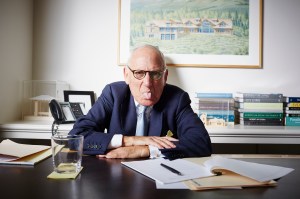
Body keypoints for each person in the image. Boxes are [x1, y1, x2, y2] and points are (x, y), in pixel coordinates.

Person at [69, 44, 212, 159]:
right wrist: (131, 141)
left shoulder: (177, 99)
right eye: (139, 73)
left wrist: (145, 150)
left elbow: (201, 143)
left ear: (165, 77)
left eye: (155, 74)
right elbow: (76, 137)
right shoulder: (113, 93)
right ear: (126, 75)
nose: (148, 83)